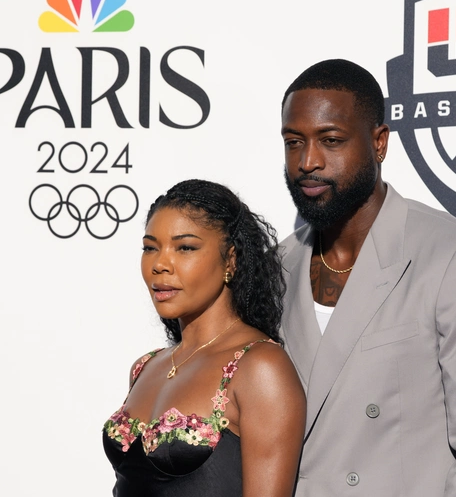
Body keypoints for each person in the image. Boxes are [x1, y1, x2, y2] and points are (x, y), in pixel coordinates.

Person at [277, 59, 456, 496]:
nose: (308, 161)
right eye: (294, 142)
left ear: (379, 143)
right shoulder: (276, 267)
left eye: (331, 140)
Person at [102, 178, 307, 497]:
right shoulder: (145, 366)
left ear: (231, 260)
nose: (160, 264)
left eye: (185, 247)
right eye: (150, 247)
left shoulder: (260, 367)